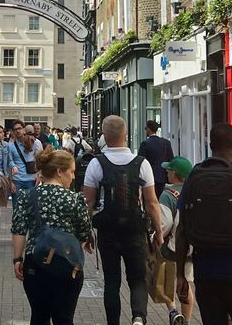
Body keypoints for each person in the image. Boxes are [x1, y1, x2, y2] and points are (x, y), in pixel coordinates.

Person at [176, 123, 232, 325]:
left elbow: (182, 231)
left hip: (207, 272)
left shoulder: (194, 178)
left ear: (210, 145)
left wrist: (180, 275)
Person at [84, 115, 163, 325]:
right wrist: (159, 233)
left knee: (111, 281)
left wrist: (85, 233)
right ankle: (138, 317)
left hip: (107, 230)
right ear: (126, 136)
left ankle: (114, 322)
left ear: (104, 136)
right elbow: (152, 203)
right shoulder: (142, 163)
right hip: (135, 229)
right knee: (138, 278)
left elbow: (89, 203)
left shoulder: (95, 164)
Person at [11, 145, 92, 325]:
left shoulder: (27, 196)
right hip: (67, 264)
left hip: (35, 263)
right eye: (71, 172)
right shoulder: (75, 199)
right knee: (64, 318)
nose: (73, 177)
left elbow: (19, 230)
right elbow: (84, 233)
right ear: (59, 172)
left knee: (39, 316)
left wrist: (17, 259)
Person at [158, 156, 194, 325]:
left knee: (165, 280)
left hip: (172, 248)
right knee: (186, 282)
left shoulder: (168, 195)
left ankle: (173, 310)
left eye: (169, 169)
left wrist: (155, 237)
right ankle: (186, 320)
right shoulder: (195, 192)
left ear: (175, 174)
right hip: (192, 248)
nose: (166, 171)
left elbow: (165, 224)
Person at [9, 119, 42, 206]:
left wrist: (39, 175)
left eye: (19, 128)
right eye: (15, 129)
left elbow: (41, 160)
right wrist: (11, 182)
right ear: (13, 132)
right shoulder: (11, 146)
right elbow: (9, 162)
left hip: (31, 180)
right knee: (17, 208)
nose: (18, 131)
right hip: (17, 180)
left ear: (24, 129)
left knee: (32, 208)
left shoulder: (35, 143)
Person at [138, 120, 174, 198]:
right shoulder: (166, 143)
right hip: (163, 176)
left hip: (149, 176)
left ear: (148, 129)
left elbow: (140, 162)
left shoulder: (145, 144)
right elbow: (171, 159)